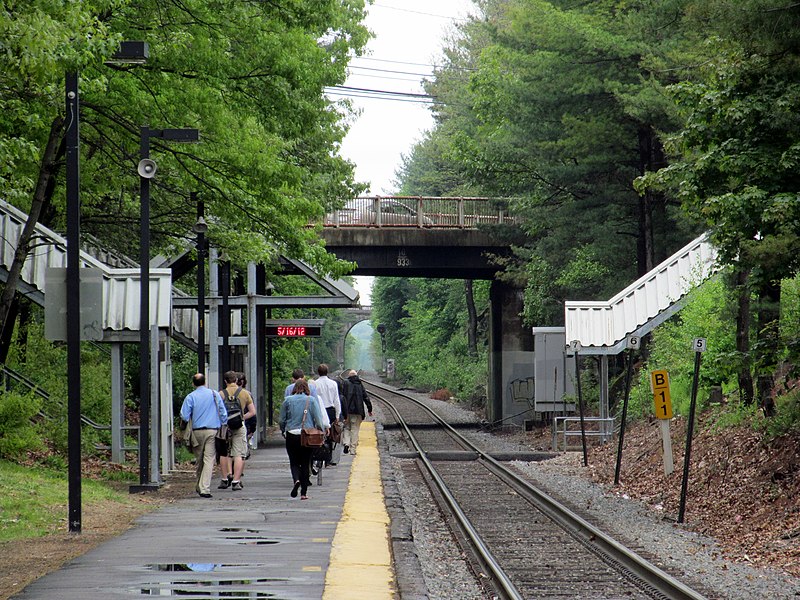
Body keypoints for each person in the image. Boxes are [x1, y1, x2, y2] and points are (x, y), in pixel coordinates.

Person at [180, 373, 227, 498]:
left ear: (193, 383)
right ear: (205, 382)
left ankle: (201, 485)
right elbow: (223, 412)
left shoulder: (190, 397)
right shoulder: (214, 394)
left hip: (196, 432)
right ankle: (204, 487)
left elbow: (184, 415)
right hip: (212, 431)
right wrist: (223, 423)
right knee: (209, 459)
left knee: (200, 459)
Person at [279, 379, 326, 500]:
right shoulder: (311, 400)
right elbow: (318, 419)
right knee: (306, 462)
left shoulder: (288, 400)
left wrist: (283, 430)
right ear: (307, 388)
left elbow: (281, 420)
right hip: (307, 435)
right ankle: (304, 493)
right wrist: (322, 432)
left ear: (295, 388)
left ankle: (296, 480)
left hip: (291, 435)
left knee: (294, 461)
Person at [218, 370, 256, 491]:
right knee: (239, 453)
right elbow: (252, 412)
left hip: (224, 427)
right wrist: (241, 418)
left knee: (224, 453)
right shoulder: (244, 393)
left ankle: (225, 479)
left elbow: (217, 412)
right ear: (236, 380)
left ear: (225, 381)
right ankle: (236, 480)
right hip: (239, 426)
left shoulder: (220, 394)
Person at [314, 363, 342, 466]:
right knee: (330, 435)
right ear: (327, 372)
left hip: (319, 410)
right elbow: (336, 400)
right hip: (330, 410)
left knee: (318, 433)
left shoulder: (315, 384)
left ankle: (318, 456)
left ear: (318, 372)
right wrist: (338, 415)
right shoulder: (333, 384)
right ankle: (328, 458)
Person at [341, 369, 372, 456]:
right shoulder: (359, 384)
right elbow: (366, 397)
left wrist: (341, 410)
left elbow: (341, 397)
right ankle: (353, 449)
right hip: (358, 411)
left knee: (346, 427)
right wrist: (369, 409)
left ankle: (346, 443)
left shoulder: (345, 383)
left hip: (347, 411)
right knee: (355, 429)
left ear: (349, 376)